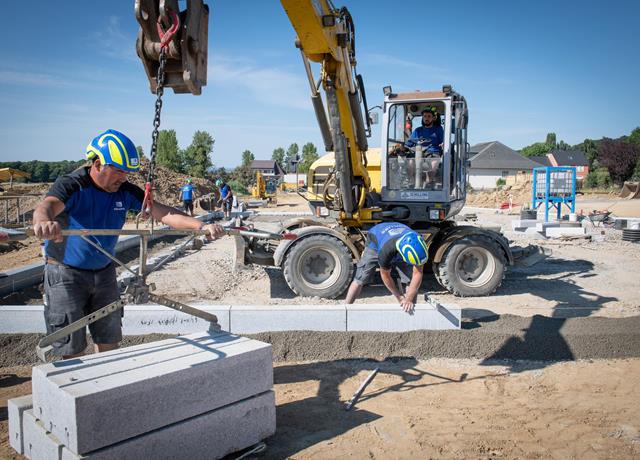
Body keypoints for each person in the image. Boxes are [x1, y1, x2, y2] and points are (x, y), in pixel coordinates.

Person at [32, 129, 225, 359]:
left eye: (126, 173)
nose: (123, 178)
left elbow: (163, 213)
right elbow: (47, 206)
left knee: (109, 340)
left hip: (104, 273)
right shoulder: (73, 185)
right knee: (71, 348)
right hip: (65, 274)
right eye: (118, 171)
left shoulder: (124, 191)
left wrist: (200, 226)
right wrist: (44, 222)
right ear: (97, 164)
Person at [345, 222, 430, 312]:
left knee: (410, 279)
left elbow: (418, 273)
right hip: (376, 238)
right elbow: (385, 276)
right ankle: (345, 308)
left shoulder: (418, 245)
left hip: (397, 234)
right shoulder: (386, 251)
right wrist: (399, 297)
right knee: (361, 277)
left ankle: (409, 312)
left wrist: (408, 299)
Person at [405, 107, 444, 186]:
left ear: (433, 118)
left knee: (434, 163)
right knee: (410, 161)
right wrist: (403, 147)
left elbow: (443, 141)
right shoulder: (417, 130)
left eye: (429, 116)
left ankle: (428, 182)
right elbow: (409, 143)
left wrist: (443, 144)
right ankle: (412, 182)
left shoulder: (438, 129)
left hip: (433, 152)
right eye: (425, 116)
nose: (426, 118)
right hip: (418, 152)